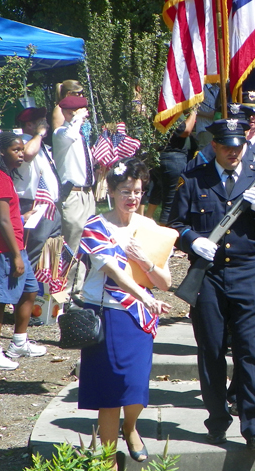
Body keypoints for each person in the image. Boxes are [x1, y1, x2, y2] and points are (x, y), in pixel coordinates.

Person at [168, 119, 255, 450]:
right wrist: (192, 240)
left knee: (250, 350)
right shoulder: (193, 180)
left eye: (238, 146)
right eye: (226, 147)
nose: (233, 152)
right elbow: (175, 224)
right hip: (208, 277)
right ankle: (217, 419)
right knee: (211, 351)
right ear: (214, 147)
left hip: (249, 274)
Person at [77, 158, 171, 469]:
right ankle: (107, 458)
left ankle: (130, 428)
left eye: (137, 191)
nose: (132, 197)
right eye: (125, 191)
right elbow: (116, 274)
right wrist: (145, 296)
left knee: (135, 386)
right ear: (112, 191)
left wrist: (146, 261)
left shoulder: (149, 228)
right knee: (109, 391)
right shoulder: (95, 226)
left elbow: (166, 282)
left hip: (139, 316)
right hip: (107, 313)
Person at [0, 132, 47, 370]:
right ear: (1, 152)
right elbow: (2, 221)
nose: (21, 154)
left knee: (30, 290)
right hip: (2, 249)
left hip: (16, 246)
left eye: (21, 149)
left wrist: (22, 217)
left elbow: (8, 216)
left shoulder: (4, 177)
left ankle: (19, 342)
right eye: (16, 150)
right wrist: (16, 254)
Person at [53, 95, 96, 286]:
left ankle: (79, 287)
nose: (85, 117)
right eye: (81, 113)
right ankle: (66, 288)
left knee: (87, 243)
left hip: (87, 194)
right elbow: (69, 134)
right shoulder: (61, 133)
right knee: (71, 244)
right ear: (69, 113)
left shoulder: (79, 135)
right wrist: (76, 118)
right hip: (73, 195)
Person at [13, 107, 62, 269]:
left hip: (49, 206)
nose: (46, 125)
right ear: (29, 124)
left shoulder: (39, 144)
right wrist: (39, 134)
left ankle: (42, 290)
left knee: (50, 252)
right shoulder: (22, 143)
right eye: (42, 122)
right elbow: (27, 154)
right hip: (31, 205)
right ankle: (26, 291)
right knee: (32, 251)